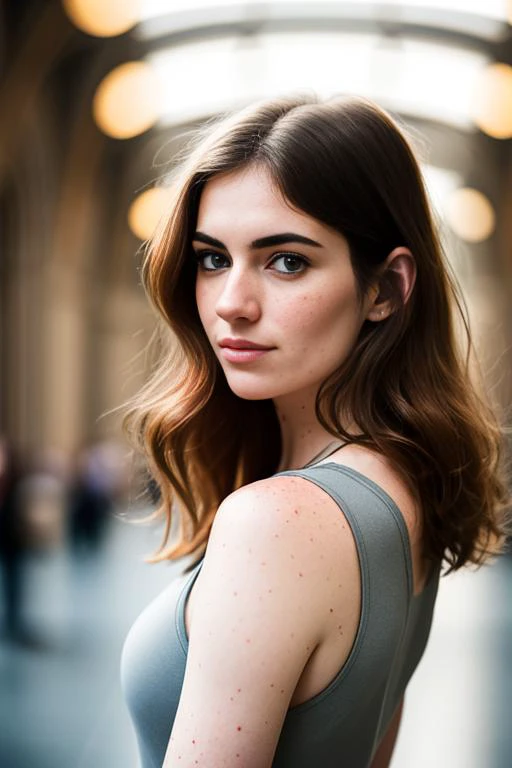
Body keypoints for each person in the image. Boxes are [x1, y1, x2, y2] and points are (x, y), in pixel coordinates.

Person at [121, 95, 508, 768]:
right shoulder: (404, 484)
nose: (232, 304)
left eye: (286, 261)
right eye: (213, 258)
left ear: (387, 289)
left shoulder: (280, 524)